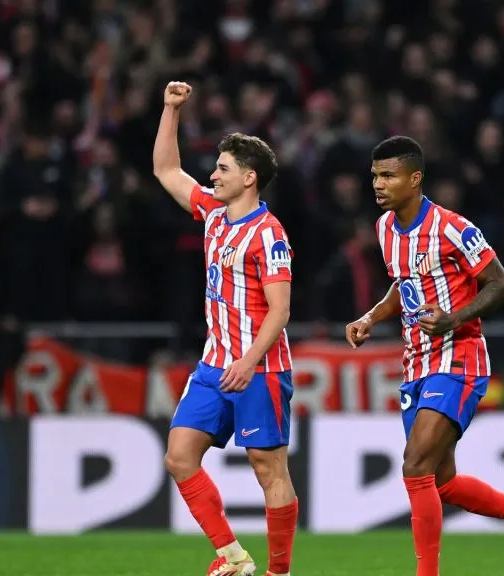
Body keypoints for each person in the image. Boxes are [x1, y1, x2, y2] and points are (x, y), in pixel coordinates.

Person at [345, 136, 504, 576]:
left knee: (414, 465)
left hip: (458, 357)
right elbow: (402, 287)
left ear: (415, 178)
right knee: (440, 483)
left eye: (388, 176)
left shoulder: (452, 228)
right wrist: (370, 317)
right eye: (375, 176)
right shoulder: (385, 229)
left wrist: (453, 318)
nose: (378, 185)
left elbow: (502, 284)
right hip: (416, 364)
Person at [154, 81, 298, 576]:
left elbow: (279, 310)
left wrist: (250, 360)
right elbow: (165, 169)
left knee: (268, 468)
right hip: (216, 364)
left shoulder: (270, 234)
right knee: (179, 456)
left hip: (258, 367)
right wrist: (171, 110)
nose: (212, 175)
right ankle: (233, 557)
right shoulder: (213, 216)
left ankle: (279, 572)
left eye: (222, 168)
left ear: (249, 178)